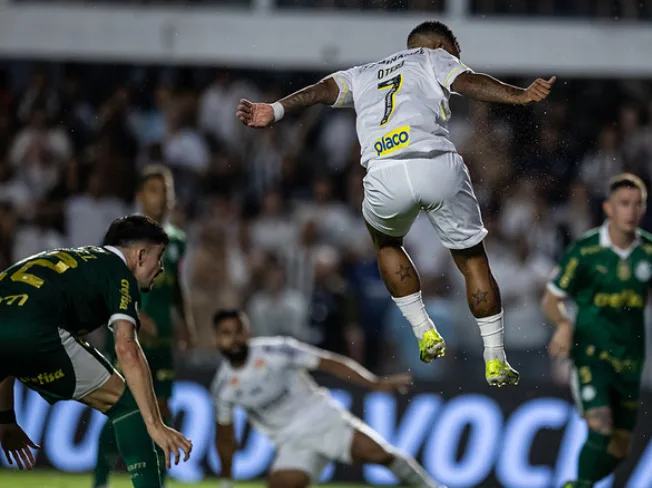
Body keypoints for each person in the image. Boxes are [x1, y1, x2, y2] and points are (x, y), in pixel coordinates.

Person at [235, 20, 556, 386]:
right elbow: (469, 83)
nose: (458, 60)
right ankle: (496, 357)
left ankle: (424, 331)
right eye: (457, 52)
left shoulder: (363, 73)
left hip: (384, 173)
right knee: (471, 259)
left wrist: (275, 109)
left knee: (385, 242)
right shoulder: (433, 57)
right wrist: (521, 95)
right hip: (434, 163)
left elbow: (322, 91)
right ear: (439, 44)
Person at [0, 216, 192, 488]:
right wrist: (155, 425)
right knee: (130, 406)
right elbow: (126, 347)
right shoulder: (119, 272)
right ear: (139, 255)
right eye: (159, 257)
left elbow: (8, 336)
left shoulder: (73, 260)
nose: (160, 268)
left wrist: (5, 417)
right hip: (39, 333)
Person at [541, 174, 652, 488]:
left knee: (619, 449)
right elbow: (551, 299)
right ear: (608, 208)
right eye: (623, 204)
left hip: (630, 359)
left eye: (637, 204)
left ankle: (577, 484)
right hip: (590, 354)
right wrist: (564, 325)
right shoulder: (586, 251)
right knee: (600, 425)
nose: (630, 211)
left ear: (644, 209)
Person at [211, 309, 441, 488]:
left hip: (321, 418)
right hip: (290, 442)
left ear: (248, 331)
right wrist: (226, 482)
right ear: (217, 339)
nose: (234, 339)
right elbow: (225, 440)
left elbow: (329, 362)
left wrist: (374, 383)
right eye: (226, 334)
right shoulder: (223, 388)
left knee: (380, 454)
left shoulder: (277, 350)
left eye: (238, 331)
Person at [94, 165, 195, 488]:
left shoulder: (177, 239)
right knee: (121, 409)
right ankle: (100, 481)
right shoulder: (124, 236)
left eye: (167, 189)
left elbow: (177, 285)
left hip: (162, 338)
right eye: (154, 189)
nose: (162, 196)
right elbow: (106, 279)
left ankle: (159, 482)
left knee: (162, 408)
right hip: (127, 334)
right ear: (140, 196)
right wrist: (134, 313)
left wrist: (187, 325)